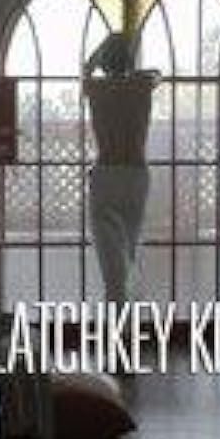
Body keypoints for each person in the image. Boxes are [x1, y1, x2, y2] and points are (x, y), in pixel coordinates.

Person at [83, 33, 159, 303]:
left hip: (106, 172)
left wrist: (102, 46)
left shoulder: (96, 88)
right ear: (129, 60)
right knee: (128, 251)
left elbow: (86, 68)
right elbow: (157, 74)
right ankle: (127, 316)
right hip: (136, 174)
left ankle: (118, 316)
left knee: (110, 263)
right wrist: (130, 68)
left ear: (104, 62)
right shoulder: (142, 85)